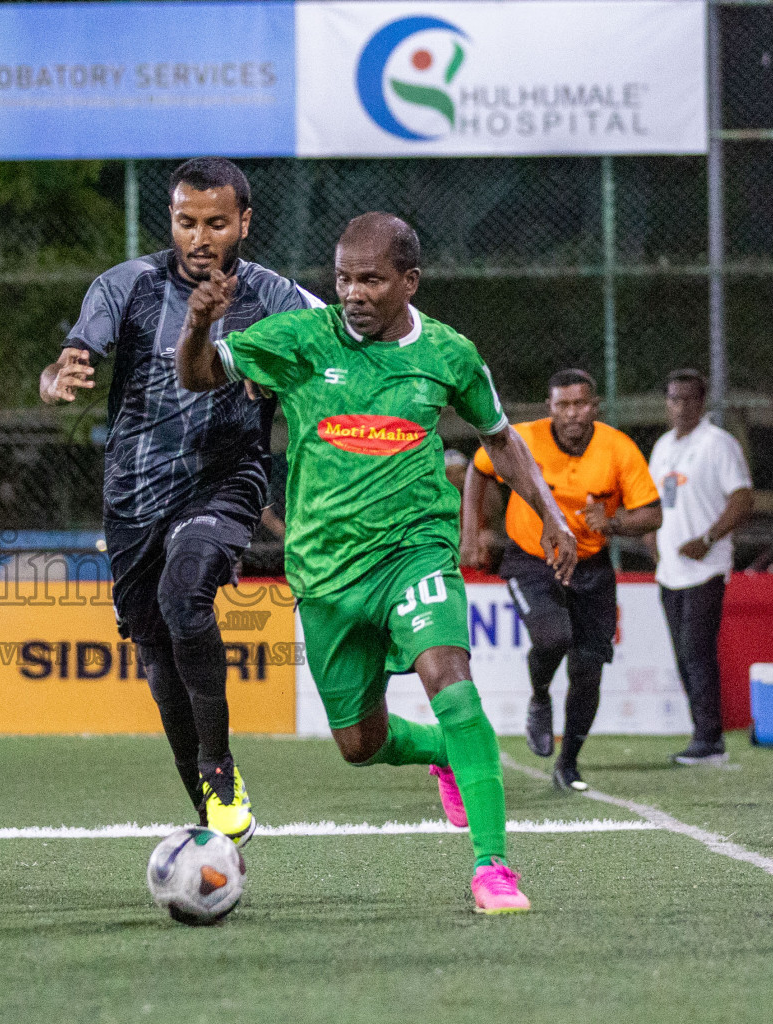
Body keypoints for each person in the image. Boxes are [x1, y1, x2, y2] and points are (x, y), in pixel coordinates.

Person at [178, 211, 579, 914]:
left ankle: (494, 869)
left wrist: (550, 514)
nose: (353, 293)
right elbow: (200, 374)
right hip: (326, 574)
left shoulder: (449, 353)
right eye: (342, 279)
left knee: (449, 677)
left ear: (408, 282)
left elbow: (500, 437)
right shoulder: (303, 339)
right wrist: (197, 326)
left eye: (370, 279)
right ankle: (442, 753)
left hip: (413, 549)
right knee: (358, 744)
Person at [38, 157, 321, 846]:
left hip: (226, 480)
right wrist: (58, 373)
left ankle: (219, 766)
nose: (200, 237)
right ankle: (205, 798)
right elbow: (76, 351)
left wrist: (299, 377)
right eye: (186, 221)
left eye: (216, 223)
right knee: (157, 651)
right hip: (134, 493)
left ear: (244, 223)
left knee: (185, 593)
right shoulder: (125, 285)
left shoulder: (278, 297)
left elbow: (341, 342)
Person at [464, 369, 661, 791]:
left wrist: (614, 520)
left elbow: (652, 514)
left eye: (581, 404)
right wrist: (472, 534)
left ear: (595, 406)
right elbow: (478, 470)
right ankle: (539, 698)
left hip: (590, 566)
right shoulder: (523, 438)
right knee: (553, 638)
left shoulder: (617, 448)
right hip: (533, 558)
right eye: (563, 405)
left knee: (589, 668)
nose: (573, 413)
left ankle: (568, 762)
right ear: (550, 407)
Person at [648, 368, 756, 762]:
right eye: (674, 399)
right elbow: (652, 503)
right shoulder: (662, 447)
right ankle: (702, 734)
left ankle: (710, 740)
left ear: (702, 401)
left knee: (698, 652)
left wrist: (708, 538)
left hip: (706, 567)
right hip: (669, 570)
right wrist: (651, 542)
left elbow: (743, 498)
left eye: (689, 399)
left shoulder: (717, 443)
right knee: (683, 655)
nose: (681, 406)